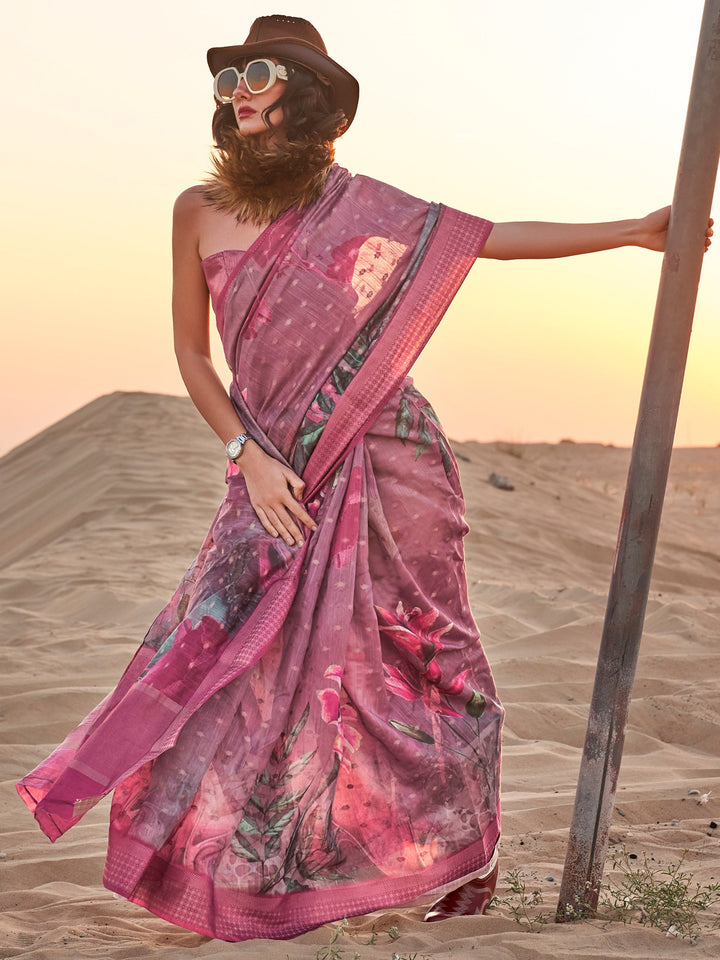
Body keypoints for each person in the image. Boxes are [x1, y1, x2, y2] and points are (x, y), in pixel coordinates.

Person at [17, 14, 712, 944]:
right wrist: (247, 457)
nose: (240, 91)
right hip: (271, 473)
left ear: (303, 94)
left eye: (259, 74)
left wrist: (633, 231)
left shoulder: (360, 205)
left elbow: (487, 237)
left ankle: (471, 857)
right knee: (220, 656)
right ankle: (240, 872)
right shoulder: (196, 208)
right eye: (229, 79)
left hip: (392, 461)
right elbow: (191, 355)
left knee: (436, 661)